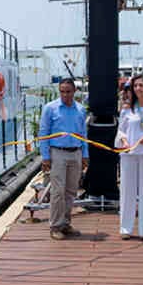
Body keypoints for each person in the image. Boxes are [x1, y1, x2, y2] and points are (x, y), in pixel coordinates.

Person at [39, 78, 89, 240]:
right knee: (57, 192)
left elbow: (83, 134)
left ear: (74, 91)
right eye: (62, 91)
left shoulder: (81, 110)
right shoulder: (50, 109)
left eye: (68, 91)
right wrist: (46, 157)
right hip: (58, 153)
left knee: (71, 191)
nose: (65, 94)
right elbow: (43, 133)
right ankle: (55, 225)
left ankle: (66, 223)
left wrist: (85, 154)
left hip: (75, 152)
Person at [117, 74, 143, 239]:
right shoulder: (127, 108)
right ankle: (125, 228)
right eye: (135, 86)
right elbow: (121, 130)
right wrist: (124, 140)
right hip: (129, 152)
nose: (138, 89)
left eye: (141, 85)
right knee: (127, 190)